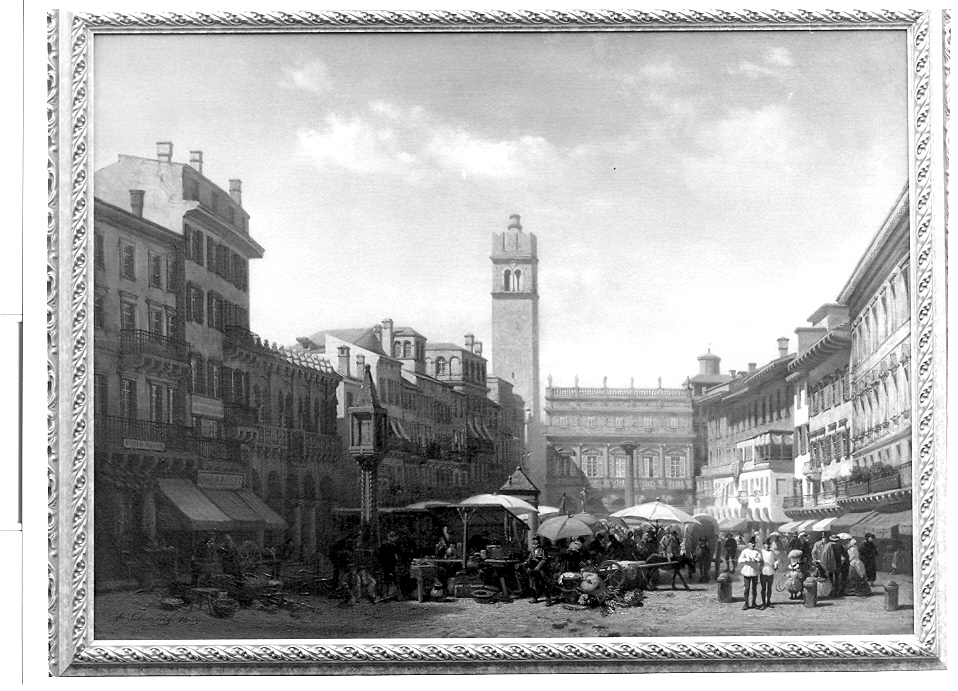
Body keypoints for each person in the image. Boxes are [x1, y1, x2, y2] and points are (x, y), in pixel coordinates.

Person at [376, 531, 403, 602]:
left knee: (386, 580)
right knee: (395, 580)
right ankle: (397, 596)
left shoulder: (383, 545)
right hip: (391, 565)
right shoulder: (393, 545)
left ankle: (385, 595)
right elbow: (400, 553)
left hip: (384, 565)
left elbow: (378, 554)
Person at [526, 536, 553, 606]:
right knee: (532, 584)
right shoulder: (532, 550)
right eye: (534, 544)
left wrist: (538, 566)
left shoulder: (542, 550)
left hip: (541, 569)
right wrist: (527, 563)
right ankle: (534, 598)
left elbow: (544, 559)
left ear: (539, 544)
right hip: (533, 569)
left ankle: (548, 600)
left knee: (544, 584)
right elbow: (529, 558)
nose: (535, 545)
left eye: (536, 544)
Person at [738, 535, 762, 610]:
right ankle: (746, 603)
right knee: (747, 588)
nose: (753, 544)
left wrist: (756, 559)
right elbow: (740, 560)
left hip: (754, 571)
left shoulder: (758, 551)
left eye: (754, 543)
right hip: (747, 571)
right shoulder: (745, 551)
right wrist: (746, 560)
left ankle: (754, 603)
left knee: (754, 588)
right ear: (748, 544)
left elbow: (760, 559)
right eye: (751, 543)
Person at [758, 537, 780, 610]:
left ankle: (768, 602)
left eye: (768, 544)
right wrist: (759, 561)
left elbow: (775, 560)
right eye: (766, 544)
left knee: (769, 588)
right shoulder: (761, 552)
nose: (767, 546)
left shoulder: (772, 553)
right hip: (763, 571)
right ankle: (763, 603)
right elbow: (758, 560)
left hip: (771, 571)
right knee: (763, 588)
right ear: (764, 545)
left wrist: (776, 564)